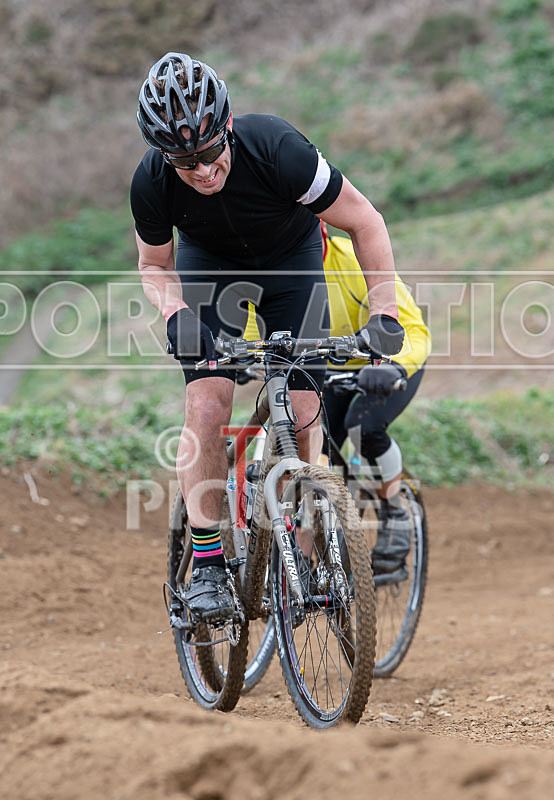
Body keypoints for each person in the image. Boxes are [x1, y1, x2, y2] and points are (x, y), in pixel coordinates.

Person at [130, 52, 405, 622]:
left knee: (305, 415)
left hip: (291, 264)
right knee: (208, 403)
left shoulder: (279, 149)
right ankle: (206, 567)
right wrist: (175, 312)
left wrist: (384, 315)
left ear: (227, 127)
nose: (202, 172)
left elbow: (365, 220)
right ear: (164, 156)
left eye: (208, 153)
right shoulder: (152, 183)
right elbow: (155, 266)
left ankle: (300, 564)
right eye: (185, 162)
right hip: (211, 269)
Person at [320, 223, 431, 574]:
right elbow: (250, 319)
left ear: (319, 228)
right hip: (325, 370)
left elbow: (413, 330)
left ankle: (394, 509)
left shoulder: (354, 259)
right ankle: (319, 543)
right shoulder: (272, 266)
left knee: (363, 428)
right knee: (314, 447)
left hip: (385, 366)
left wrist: (396, 367)